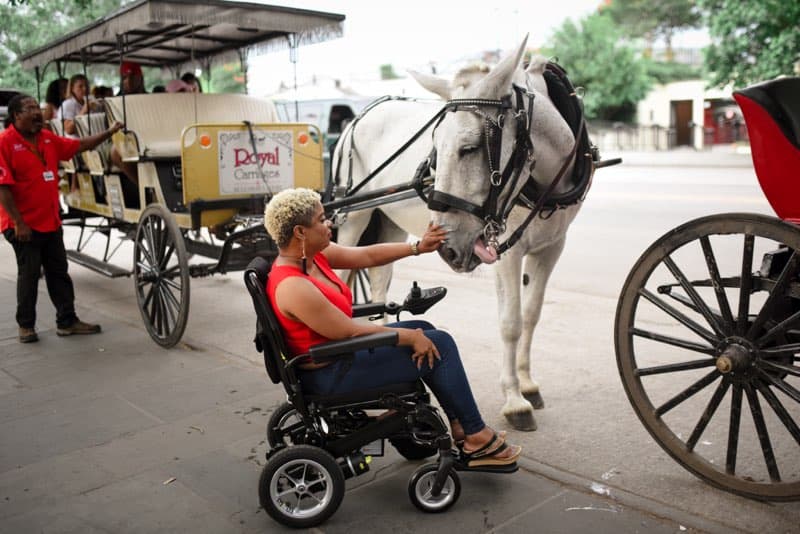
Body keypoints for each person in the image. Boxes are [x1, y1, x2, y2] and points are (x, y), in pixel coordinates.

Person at [263, 188, 522, 467]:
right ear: (300, 232)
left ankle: (463, 427)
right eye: (321, 219)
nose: (329, 224)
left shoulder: (311, 258)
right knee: (440, 344)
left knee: (425, 328)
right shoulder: (293, 286)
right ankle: (476, 436)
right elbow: (347, 332)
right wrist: (406, 336)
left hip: (337, 356)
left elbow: (366, 256)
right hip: (331, 373)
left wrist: (417, 248)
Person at [0, 94, 123, 343]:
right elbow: (2, 188)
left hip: (50, 221)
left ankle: (67, 321)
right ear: (16, 116)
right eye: (30, 109)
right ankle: (26, 326)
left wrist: (110, 132)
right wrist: (19, 223)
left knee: (59, 272)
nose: (38, 112)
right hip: (22, 224)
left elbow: (80, 146)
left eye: (38, 107)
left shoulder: (46, 138)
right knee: (30, 273)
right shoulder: (4, 143)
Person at [110, 61, 146, 183]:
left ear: (140, 79)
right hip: (125, 138)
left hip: (148, 136)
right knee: (116, 150)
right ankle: (142, 187)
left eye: (133, 77)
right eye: (125, 78)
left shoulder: (149, 98)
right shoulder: (115, 102)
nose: (129, 81)